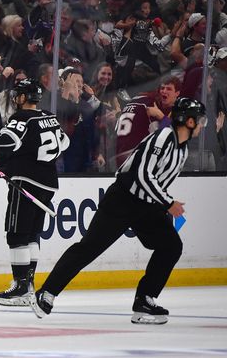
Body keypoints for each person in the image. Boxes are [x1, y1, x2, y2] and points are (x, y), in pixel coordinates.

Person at [31, 97, 208, 325]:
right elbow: (141, 174)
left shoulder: (181, 149)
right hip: (122, 200)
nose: (203, 125)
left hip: (148, 205)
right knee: (89, 248)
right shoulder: (164, 137)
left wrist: (161, 205)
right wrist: (167, 203)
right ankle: (47, 292)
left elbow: (155, 182)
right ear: (190, 121)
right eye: (201, 120)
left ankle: (145, 299)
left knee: (171, 246)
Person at [0, 79, 69, 306]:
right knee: (31, 235)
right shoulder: (49, 116)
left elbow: (9, 140)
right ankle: (28, 286)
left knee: (17, 234)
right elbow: (64, 142)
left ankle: (20, 288)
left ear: (23, 98)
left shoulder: (21, 118)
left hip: (26, 181)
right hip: (48, 183)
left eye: (18, 94)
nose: (15, 98)